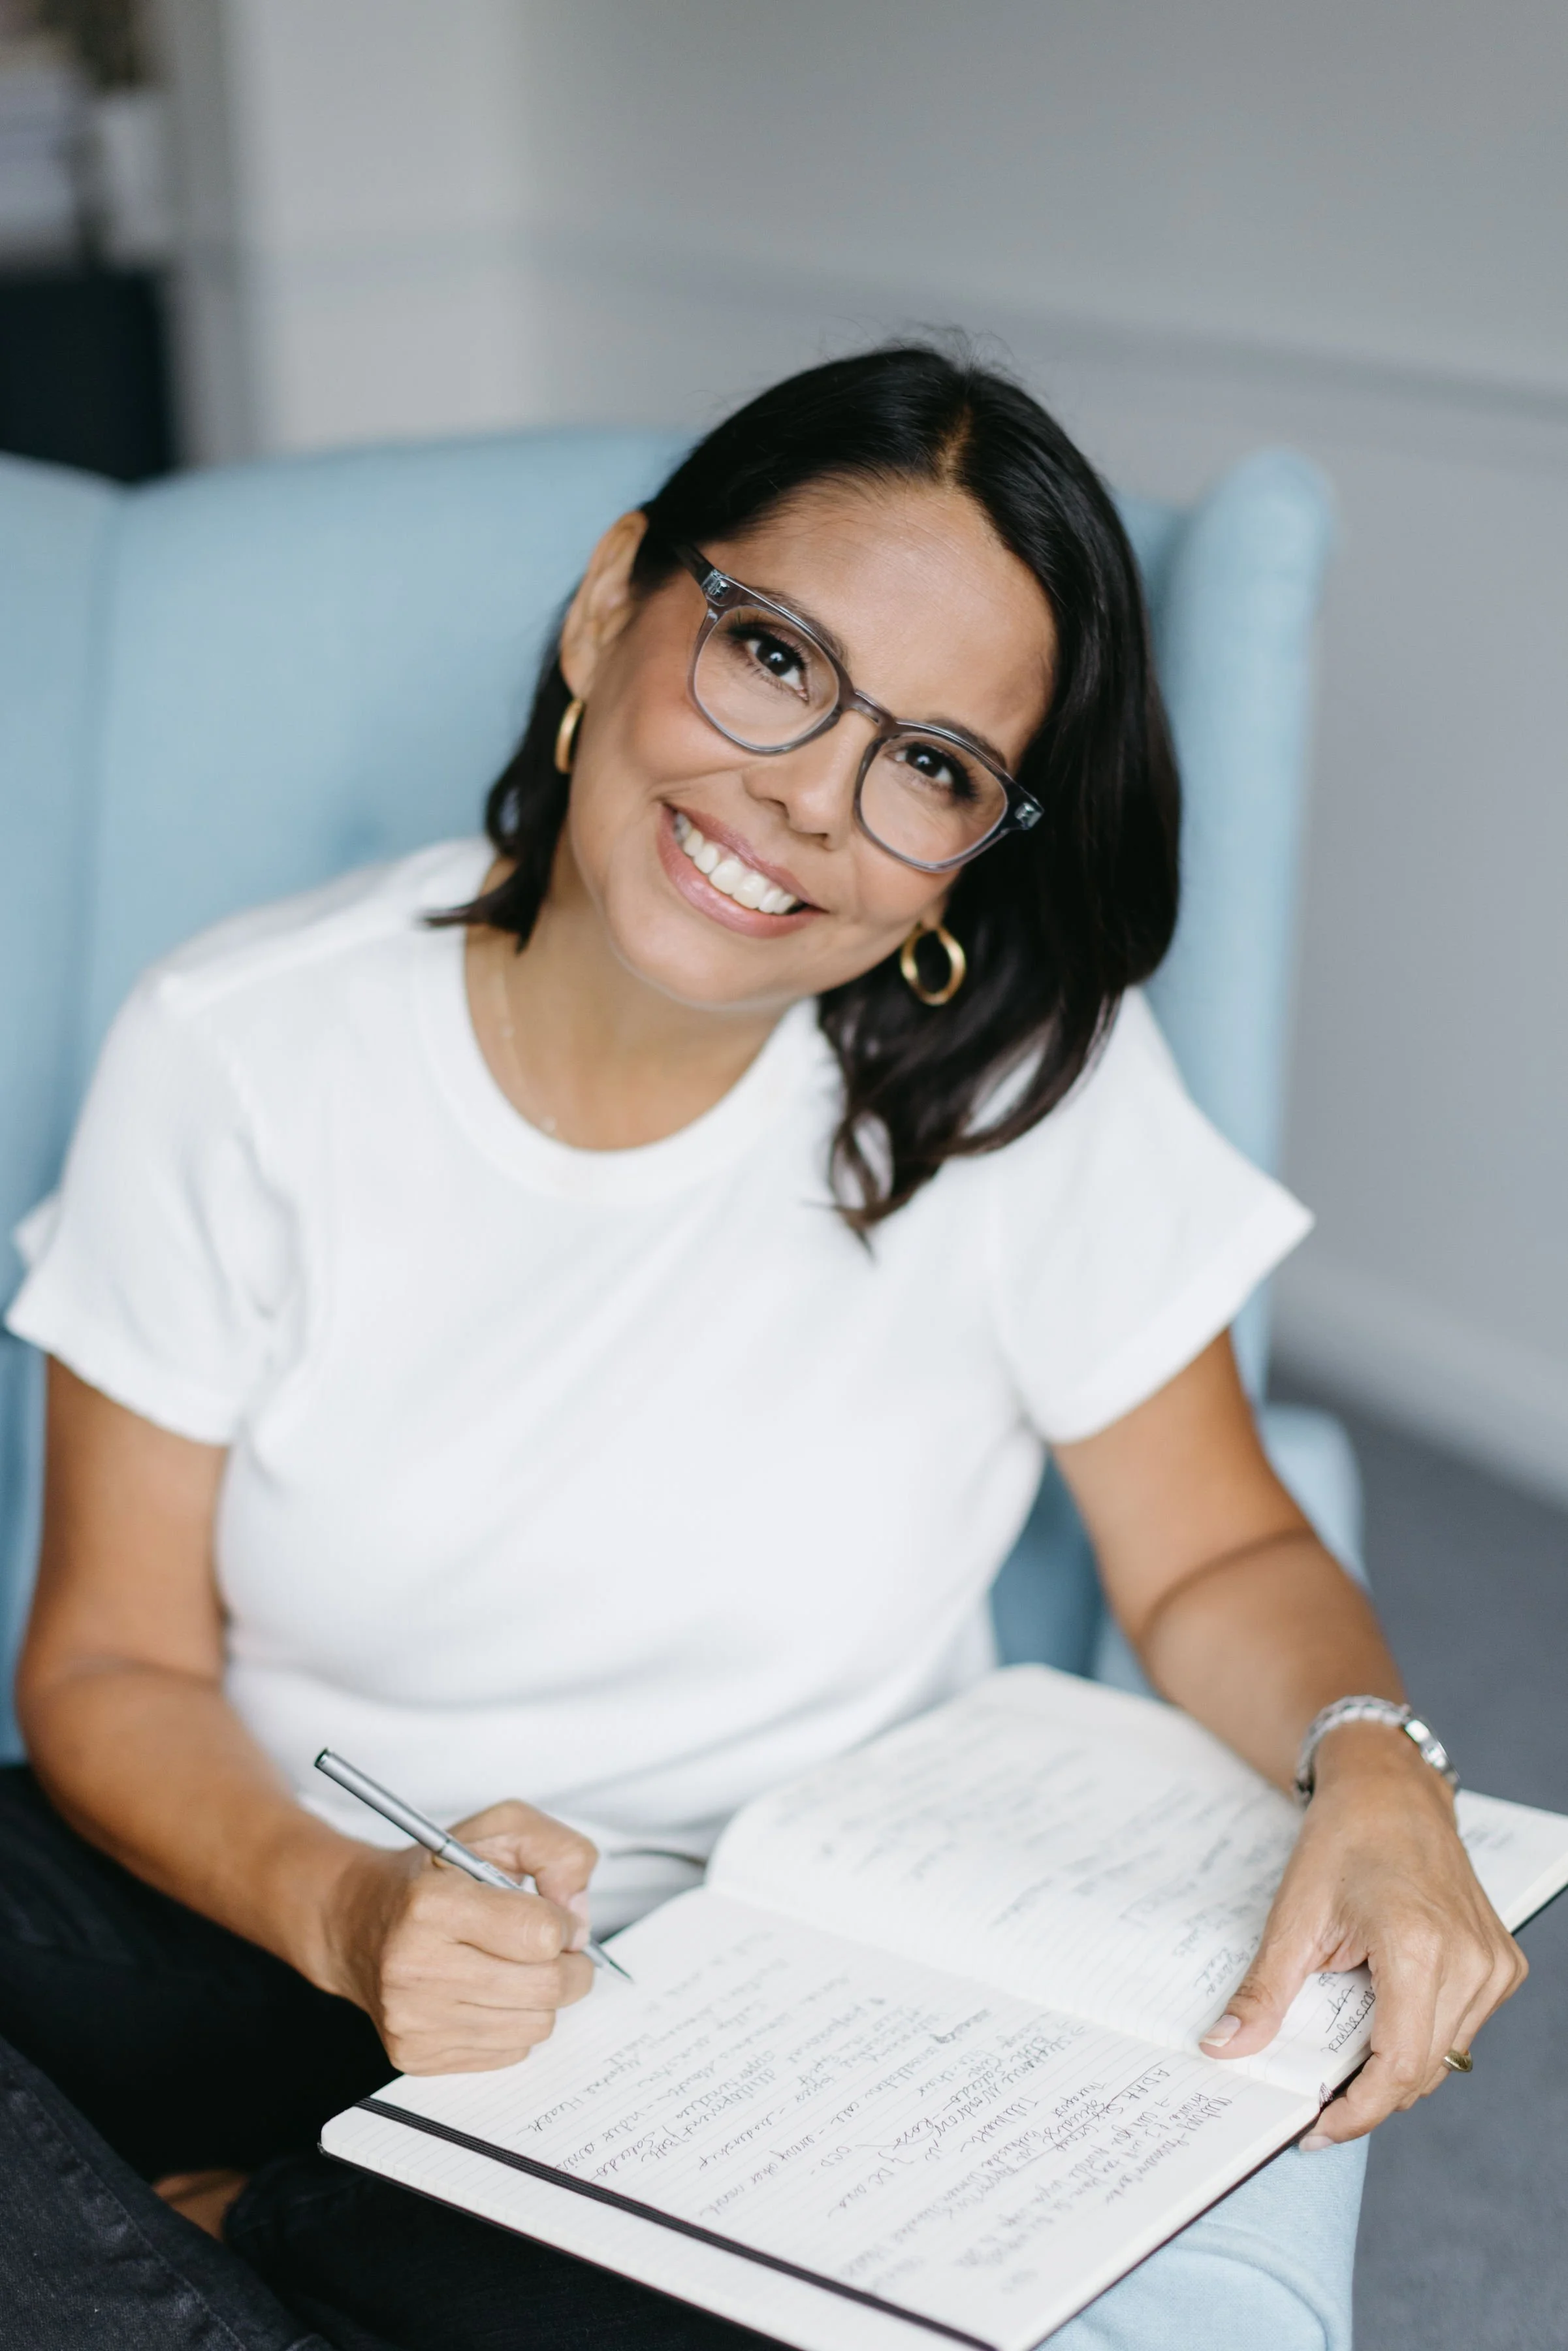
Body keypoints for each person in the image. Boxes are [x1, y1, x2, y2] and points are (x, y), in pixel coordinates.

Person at [0, 345, 1523, 2350]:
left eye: (932, 768)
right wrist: (350, 1910)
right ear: (610, 603)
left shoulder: (1023, 1095)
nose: (805, 795)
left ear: (972, 850)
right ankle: (277, 2228)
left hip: (730, 2023)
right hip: (271, 1910)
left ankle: (235, 2239)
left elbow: (1218, 1553)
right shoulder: (242, 1045)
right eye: (777, 657)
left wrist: (1380, 1763)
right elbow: (105, 1661)